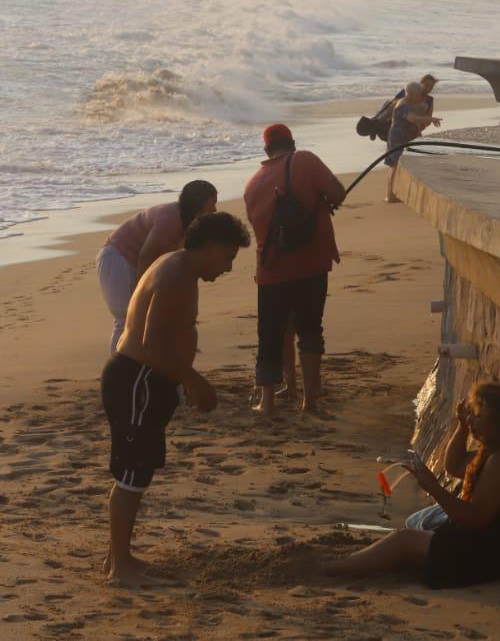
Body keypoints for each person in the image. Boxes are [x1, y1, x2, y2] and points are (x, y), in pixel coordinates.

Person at [101, 211, 250, 586]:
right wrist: (194, 382)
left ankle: (118, 558)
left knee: (135, 472)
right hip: (138, 379)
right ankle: (120, 568)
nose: (229, 267)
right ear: (210, 248)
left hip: (145, 380)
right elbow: (151, 345)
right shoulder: (175, 277)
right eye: (228, 257)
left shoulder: (180, 266)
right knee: (132, 476)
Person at [323, 382, 500, 587]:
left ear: (494, 419)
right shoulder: (497, 446)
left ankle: (331, 568)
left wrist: (433, 488)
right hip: (495, 547)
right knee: (422, 525)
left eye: (476, 416)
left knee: (404, 539)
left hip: (495, 557)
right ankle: (352, 563)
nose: (471, 421)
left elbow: (474, 517)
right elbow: (454, 466)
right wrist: (462, 427)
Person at [243, 124, 346, 416]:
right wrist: (324, 202)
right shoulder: (305, 160)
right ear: (292, 142)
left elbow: (260, 230)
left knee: (273, 333)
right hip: (311, 263)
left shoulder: (252, 183)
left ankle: (270, 400)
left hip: (271, 269)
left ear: (266, 150)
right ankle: (310, 401)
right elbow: (337, 192)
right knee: (310, 329)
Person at [97, 180, 218, 357]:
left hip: (134, 260)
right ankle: (118, 369)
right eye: (212, 204)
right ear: (199, 203)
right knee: (126, 317)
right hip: (117, 257)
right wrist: (141, 292)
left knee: (143, 318)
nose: (214, 210)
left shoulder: (189, 223)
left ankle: (136, 364)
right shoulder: (171, 217)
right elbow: (147, 254)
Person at [384, 82, 436, 204]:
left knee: (403, 165)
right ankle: (389, 195)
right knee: (395, 166)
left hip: (406, 138)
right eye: (418, 94)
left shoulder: (409, 103)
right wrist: (430, 119)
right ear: (411, 94)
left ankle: (395, 193)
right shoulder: (403, 104)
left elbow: (413, 121)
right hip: (398, 139)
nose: (420, 97)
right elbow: (411, 118)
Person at [356, 74, 442, 142]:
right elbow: (393, 104)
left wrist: (422, 119)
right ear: (420, 83)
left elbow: (427, 122)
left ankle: (377, 126)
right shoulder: (410, 91)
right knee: (395, 103)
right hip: (397, 119)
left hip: (415, 124)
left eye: (431, 86)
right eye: (426, 85)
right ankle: (376, 123)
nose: (428, 88)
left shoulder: (429, 100)